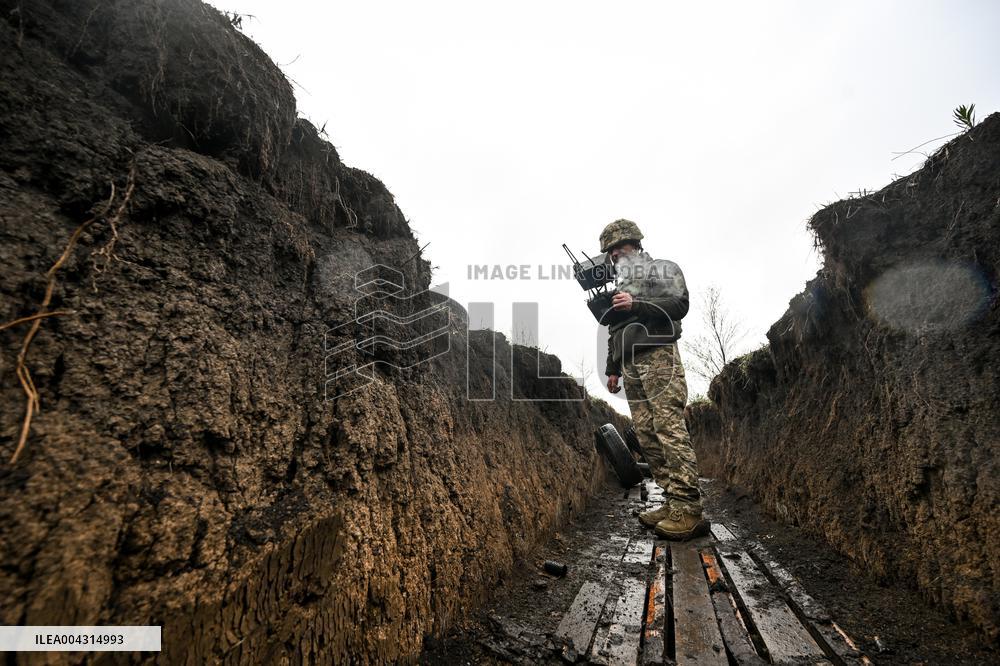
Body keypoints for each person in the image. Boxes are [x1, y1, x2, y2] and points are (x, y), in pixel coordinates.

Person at [600, 218, 708, 540]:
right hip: (630, 364)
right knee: (646, 434)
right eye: (611, 252)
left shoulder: (662, 269)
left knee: (668, 428)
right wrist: (613, 367)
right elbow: (613, 330)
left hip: (658, 355)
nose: (616, 255)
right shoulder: (620, 288)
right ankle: (673, 501)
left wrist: (638, 304)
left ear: (636, 244)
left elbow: (680, 304)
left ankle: (689, 509)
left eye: (621, 248)